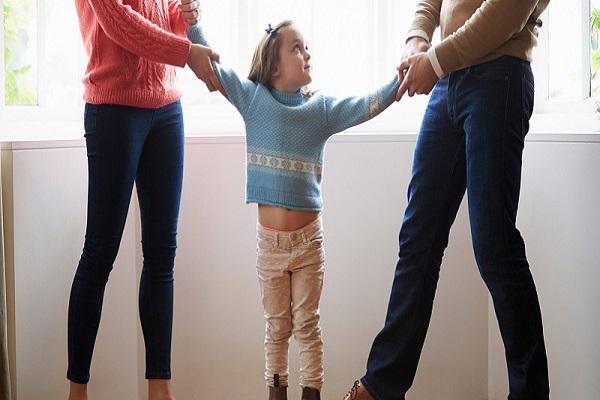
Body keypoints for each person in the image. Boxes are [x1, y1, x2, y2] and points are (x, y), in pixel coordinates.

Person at [343, 1, 551, 399]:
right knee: (418, 241)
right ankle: (381, 387)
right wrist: (416, 38)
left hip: (498, 76)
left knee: (495, 247)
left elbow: (508, 9)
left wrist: (436, 60)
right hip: (449, 83)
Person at [185, 14, 399, 400]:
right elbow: (212, 67)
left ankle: (311, 394)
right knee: (277, 327)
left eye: (306, 47)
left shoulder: (320, 109)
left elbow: (367, 105)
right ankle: (276, 392)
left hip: (308, 243)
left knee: (308, 325)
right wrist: (191, 21)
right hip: (269, 245)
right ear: (274, 65)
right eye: (296, 48)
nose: (307, 54)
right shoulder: (253, 99)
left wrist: (402, 79)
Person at [67, 1, 220, 399]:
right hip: (113, 111)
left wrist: (184, 16)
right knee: (99, 252)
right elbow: (120, 24)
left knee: (161, 254)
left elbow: (162, 19)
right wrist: (186, 52)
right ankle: (77, 392)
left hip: (167, 110)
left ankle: (160, 390)